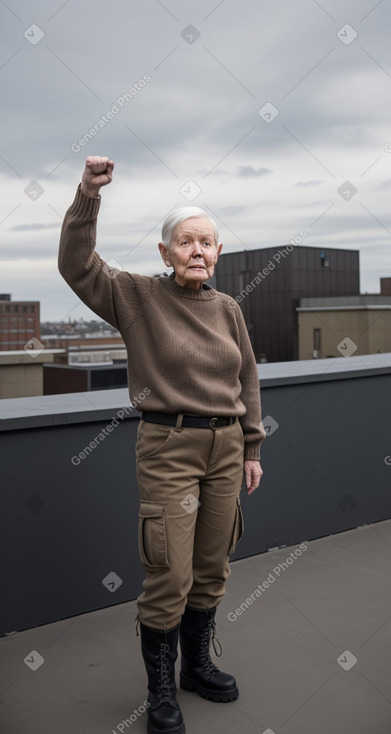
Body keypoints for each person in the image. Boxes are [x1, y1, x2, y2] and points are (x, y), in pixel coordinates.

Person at [58, 156, 266, 734]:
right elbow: (76, 267)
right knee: (169, 572)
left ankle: (196, 667)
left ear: (217, 253)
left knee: (211, 566)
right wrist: (87, 196)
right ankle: (159, 692)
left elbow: (246, 378)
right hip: (169, 445)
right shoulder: (137, 296)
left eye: (206, 242)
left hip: (225, 448)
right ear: (164, 252)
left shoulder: (228, 309)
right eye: (185, 242)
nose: (196, 251)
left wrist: (251, 447)